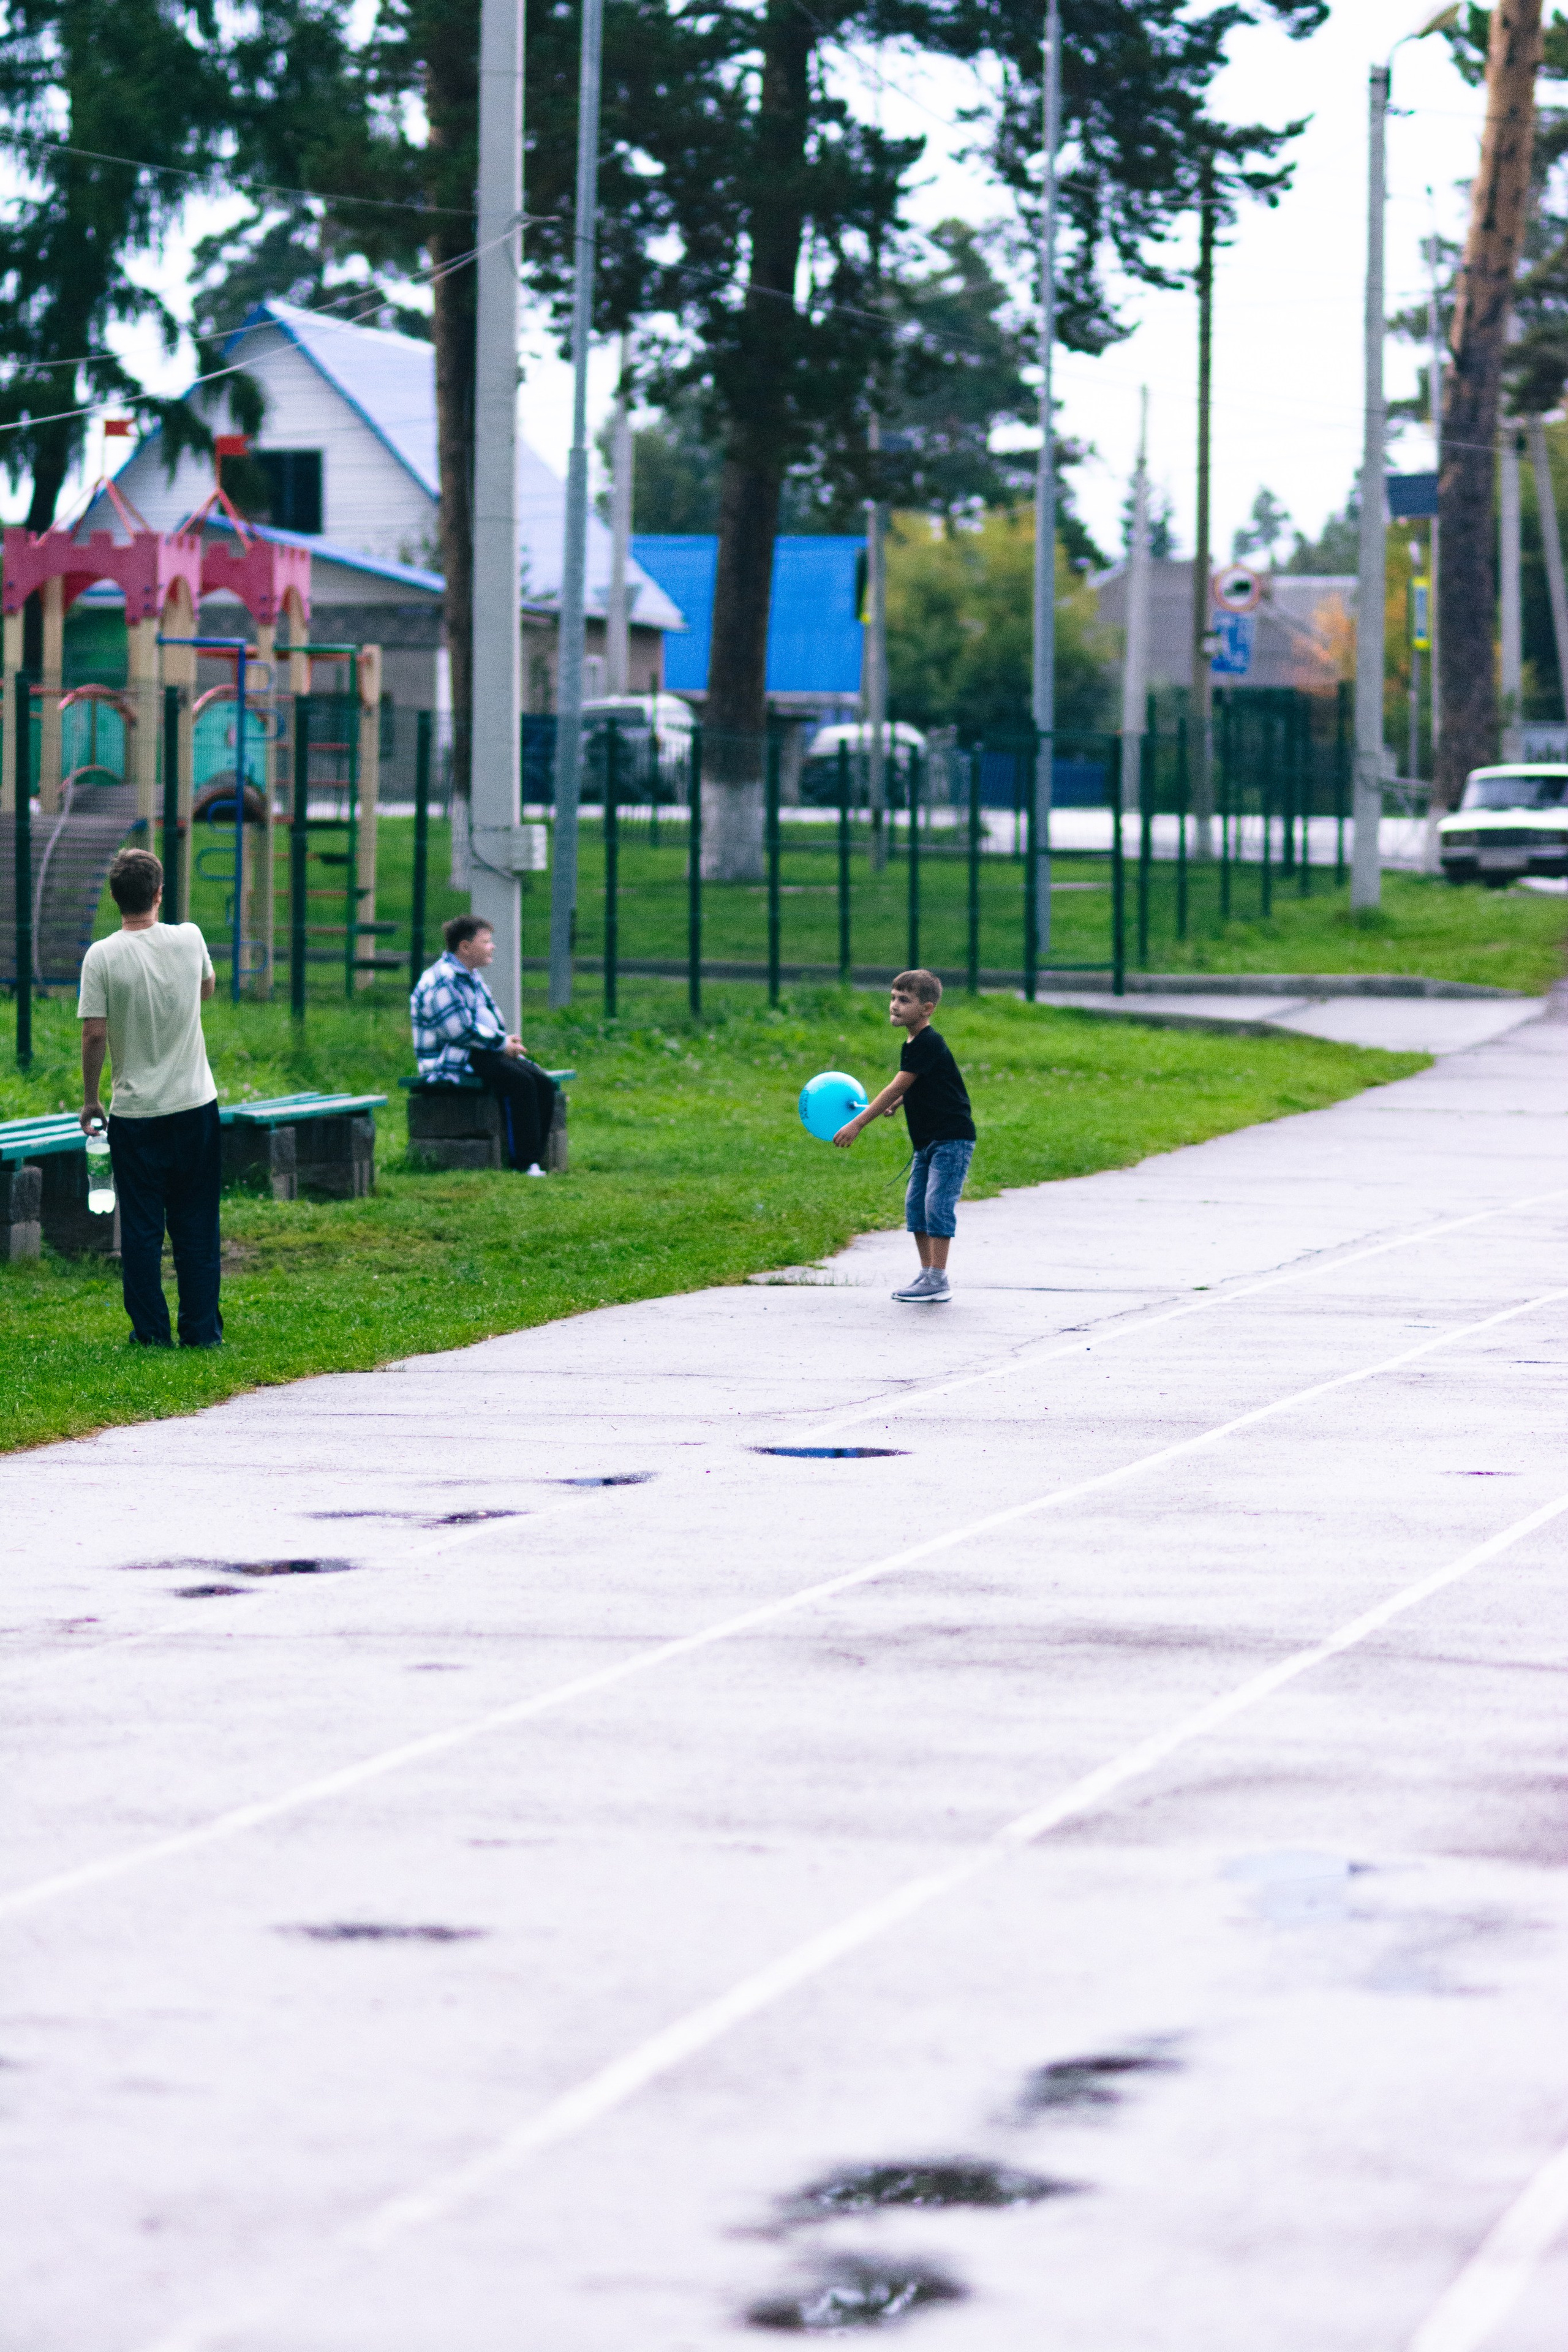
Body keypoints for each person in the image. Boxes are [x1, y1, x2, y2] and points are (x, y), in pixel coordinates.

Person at [78, 848, 223, 1349]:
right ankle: (201, 1332)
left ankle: (151, 1333)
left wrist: (91, 1099)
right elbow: (207, 989)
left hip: (136, 1112)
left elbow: (95, 1033)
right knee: (197, 1222)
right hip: (196, 1104)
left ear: (113, 897)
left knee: (141, 1228)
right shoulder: (190, 938)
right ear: (159, 893)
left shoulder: (101, 956)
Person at [832, 967, 975, 1303]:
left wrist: (858, 1124)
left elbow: (899, 1084)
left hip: (951, 1139)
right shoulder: (913, 1043)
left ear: (927, 1009)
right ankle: (927, 1274)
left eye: (905, 1000)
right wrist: (899, 1103)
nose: (895, 1005)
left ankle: (938, 1278)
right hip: (926, 1141)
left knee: (936, 1205)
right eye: (893, 997)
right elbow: (920, 1084)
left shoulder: (929, 1041)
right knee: (916, 1206)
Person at [410, 914, 557, 1174]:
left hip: (479, 1052)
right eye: (487, 942)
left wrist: (504, 1042)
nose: (493, 946)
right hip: (452, 1058)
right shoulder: (443, 979)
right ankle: (524, 1163)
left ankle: (535, 1157)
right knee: (520, 1083)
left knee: (543, 1083)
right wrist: (502, 1043)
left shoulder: (471, 976)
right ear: (465, 947)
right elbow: (459, 1031)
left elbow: (487, 1021)